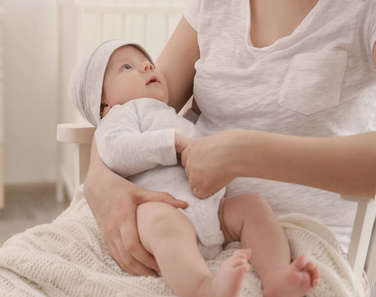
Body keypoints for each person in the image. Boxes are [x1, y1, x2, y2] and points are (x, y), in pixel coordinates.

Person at [82, 0, 376, 284]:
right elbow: (140, 105)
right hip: (192, 219)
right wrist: (99, 178)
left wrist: (245, 153)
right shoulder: (213, 4)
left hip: (301, 241)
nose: (144, 67)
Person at [68, 39, 320, 297]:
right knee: (161, 222)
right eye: (126, 68)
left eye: (147, 62)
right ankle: (204, 288)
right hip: (165, 208)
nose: (145, 66)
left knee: (252, 206)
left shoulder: (166, 114)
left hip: (211, 210)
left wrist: (195, 117)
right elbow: (115, 148)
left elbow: (190, 136)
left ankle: (276, 275)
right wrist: (171, 143)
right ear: (103, 105)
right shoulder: (120, 115)